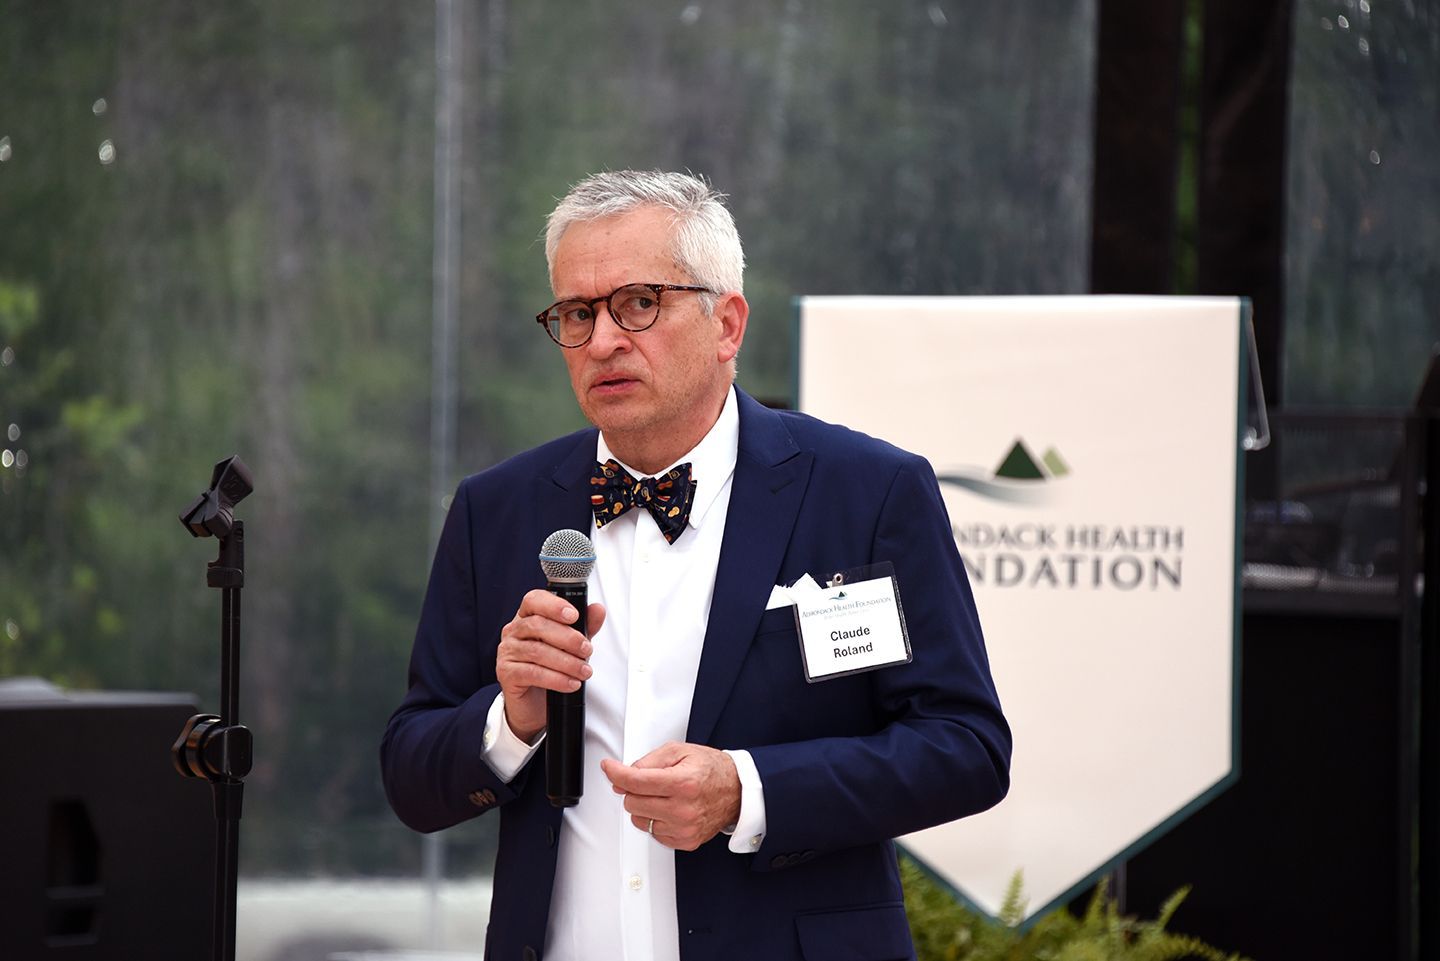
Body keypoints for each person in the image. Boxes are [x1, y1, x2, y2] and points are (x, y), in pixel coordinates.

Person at [381, 170, 1010, 961]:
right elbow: (411, 777)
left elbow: (964, 747)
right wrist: (511, 719)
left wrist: (748, 790)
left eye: (639, 303)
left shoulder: (867, 492)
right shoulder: (497, 507)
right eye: (577, 313)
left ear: (727, 324)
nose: (603, 340)